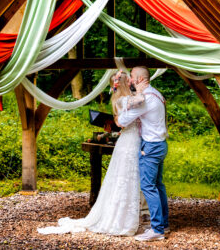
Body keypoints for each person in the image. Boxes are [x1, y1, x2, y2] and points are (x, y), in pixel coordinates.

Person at [37, 71, 148, 236]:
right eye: (129, 80)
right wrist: (141, 89)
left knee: (124, 178)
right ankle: (124, 218)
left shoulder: (118, 99)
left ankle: (125, 215)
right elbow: (141, 100)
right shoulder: (125, 100)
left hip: (128, 140)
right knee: (127, 178)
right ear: (126, 83)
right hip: (131, 142)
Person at [117, 66, 169, 242]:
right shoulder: (156, 94)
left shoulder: (145, 99)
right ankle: (164, 224)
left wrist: (126, 104)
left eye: (131, 77)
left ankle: (157, 230)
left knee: (148, 186)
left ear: (139, 79)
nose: (129, 80)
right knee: (158, 185)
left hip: (151, 147)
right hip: (161, 144)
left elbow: (123, 121)